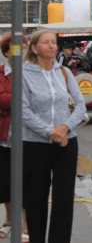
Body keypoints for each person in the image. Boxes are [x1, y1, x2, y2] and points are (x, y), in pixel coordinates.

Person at [22, 30, 87, 243]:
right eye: (46, 43)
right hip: (35, 143)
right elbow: (23, 111)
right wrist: (51, 132)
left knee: (64, 197)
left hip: (67, 141)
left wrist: (65, 127)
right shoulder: (23, 74)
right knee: (36, 196)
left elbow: (80, 105)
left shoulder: (64, 72)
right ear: (34, 48)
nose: (52, 46)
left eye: (54, 43)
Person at [0, 34, 28, 242]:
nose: (22, 52)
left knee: (27, 181)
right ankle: (9, 220)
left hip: (29, 136)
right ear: (7, 52)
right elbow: (3, 99)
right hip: (5, 134)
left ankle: (24, 225)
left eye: (25, 47)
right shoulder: (1, 74)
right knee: (6, 180)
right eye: (17, 48)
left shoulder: (33, 73)